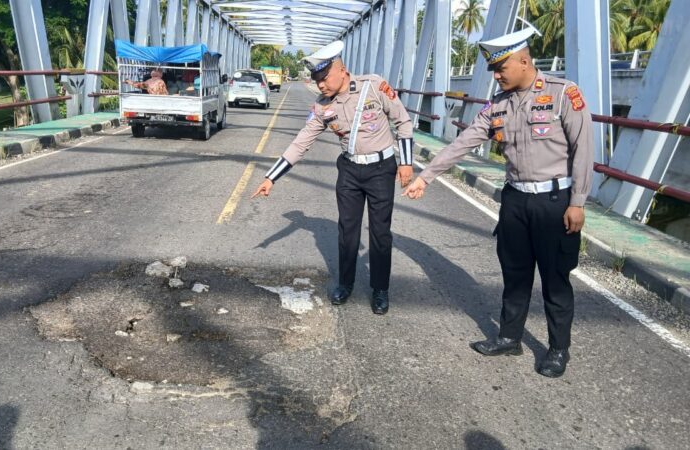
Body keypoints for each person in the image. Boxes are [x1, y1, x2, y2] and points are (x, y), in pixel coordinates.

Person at [401, 27, 594, 377]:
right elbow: (463, 143)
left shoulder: (563, 93)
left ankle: (558, 349)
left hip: (554, 201)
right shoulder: (498, 105)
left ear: (523, 61)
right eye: (493, 69)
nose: (496, 74)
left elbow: (584, 150)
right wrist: (425, 176)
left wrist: (577, 201)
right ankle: (509, 337)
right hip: (515, 201)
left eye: (501, 67)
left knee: (555, 279)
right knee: (515, 273)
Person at [251, 40, 415, 315]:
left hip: (380, 169)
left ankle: (380, 289)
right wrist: (271, 178)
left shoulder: (374, 86)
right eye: (316, 81)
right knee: (347, 232)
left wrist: (406, 163)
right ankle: (346, 283)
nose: (321, 85)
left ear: (342, 70)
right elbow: (301, 142)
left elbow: (403, 121)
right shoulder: (321, 107)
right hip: (349, 170)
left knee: (380, 233)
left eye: (324, 78)